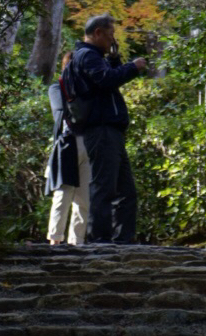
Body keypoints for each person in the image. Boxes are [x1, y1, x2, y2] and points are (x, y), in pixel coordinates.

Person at [66, 13, 148, 244]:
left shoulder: (93, 57)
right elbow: (105, 80)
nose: (112, 40)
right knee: (104, 186)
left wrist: (114, 59)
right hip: (100, 129)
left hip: (109, 130)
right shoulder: (86, 55)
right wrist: (132, 67)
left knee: (125, 190)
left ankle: (123, 239)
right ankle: (99, 240)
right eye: (110, 35)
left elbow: (105, 81)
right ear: (98, 33)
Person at [44, 52, 90, 244]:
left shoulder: (90, 89)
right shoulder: (58, 88)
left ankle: (76, 242)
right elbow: (61, 113)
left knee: (84, 198)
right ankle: (55, 240)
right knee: (63, 193)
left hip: (89, 142)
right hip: (68, 143)